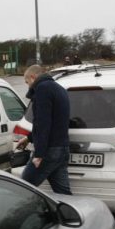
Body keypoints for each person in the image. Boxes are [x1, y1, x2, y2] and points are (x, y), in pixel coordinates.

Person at [16, 64, 72, 195]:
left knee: (24, 189)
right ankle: (71, 214)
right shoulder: (59, 89)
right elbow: (54, 121)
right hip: (62, 149)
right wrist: (29, 138)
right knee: (63, 194)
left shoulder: (42, 89)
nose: (28, 86)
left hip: (49, 151)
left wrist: (39, 154)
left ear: (33, 77)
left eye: (27, 82)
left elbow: (43, 123)